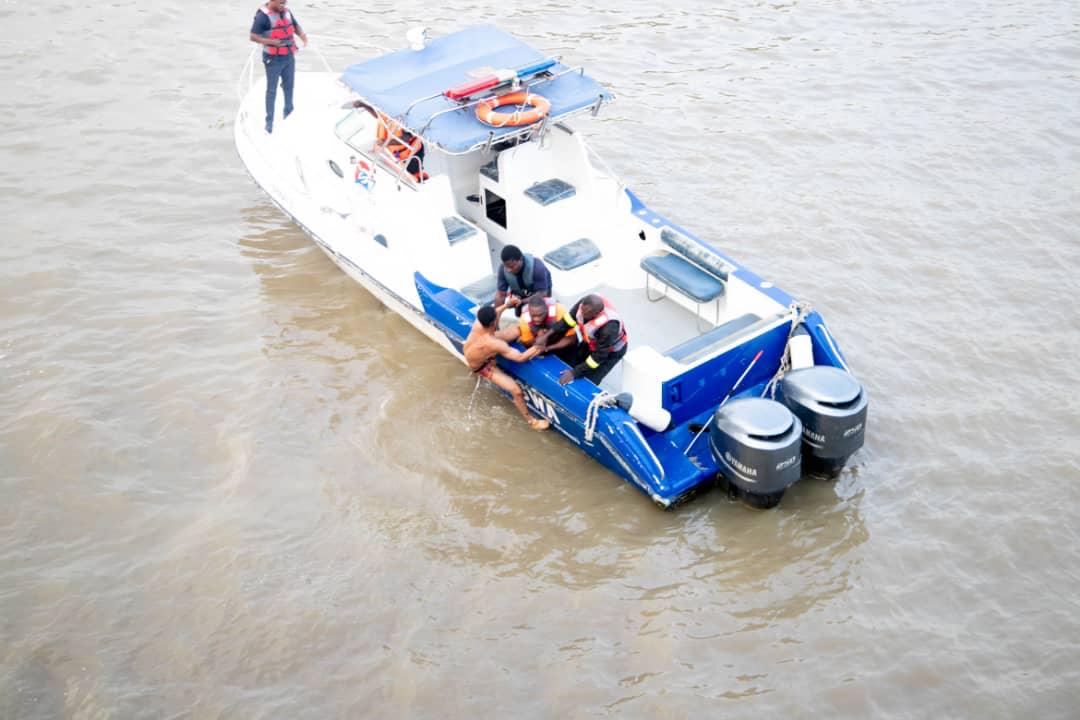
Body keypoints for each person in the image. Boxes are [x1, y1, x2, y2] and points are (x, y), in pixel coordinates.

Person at [463, 303, 550, 431]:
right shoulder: (494, 343)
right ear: (493, 323)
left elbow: (495, 311)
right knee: (516, 391)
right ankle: (532, 421)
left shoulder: (478, 323)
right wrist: (539, 346)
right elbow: (520, 358)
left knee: (516, 330)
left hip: (473, 351)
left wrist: (508, 304)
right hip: (483, 367)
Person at [540, 294, 629, 386]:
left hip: (609, 353)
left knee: (590, 380)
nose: (582, 315)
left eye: (587, 314)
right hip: (590, 342)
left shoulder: (609, 328)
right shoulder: (585, 303)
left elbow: (598, 358)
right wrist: (546, 336)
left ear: (596, 314)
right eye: (582, 310)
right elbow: (567, 321)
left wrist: (574, 373)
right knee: (574, 362)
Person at [250, 0, 308, 134]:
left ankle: (289, 113)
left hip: (289, 56)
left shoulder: (287, 12)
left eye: (285, 2)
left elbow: (295, 26)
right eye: (281, 2)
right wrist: (270, 42)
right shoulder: (262, 16)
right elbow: (253, 36)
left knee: (289, 85)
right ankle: (269, 122)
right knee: (272, 90)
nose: (284, 4)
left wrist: (304, 37)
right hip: (273, 59)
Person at [517, 295, 579, 364]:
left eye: (540, 315)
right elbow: (527, 342)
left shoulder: (559, 311)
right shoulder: (524, 320)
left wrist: (548, 348)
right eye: (533, 316)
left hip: (565, 345)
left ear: (546, 309)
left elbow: (572, 338)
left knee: (573, 362)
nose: (536, 319)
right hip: (544, 346)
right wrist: (539, 337)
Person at [492, 245, 552, 315]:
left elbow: (542, 293)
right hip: (520, 293)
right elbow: (500, 295)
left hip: (540, 293)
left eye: (511, 266)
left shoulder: (537, 268)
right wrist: (496, 316)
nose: (508, 270)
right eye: (506, 266)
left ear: (520, 259)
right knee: (520, 315)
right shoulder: (503, 269)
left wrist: (522, 302)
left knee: (539, 314)